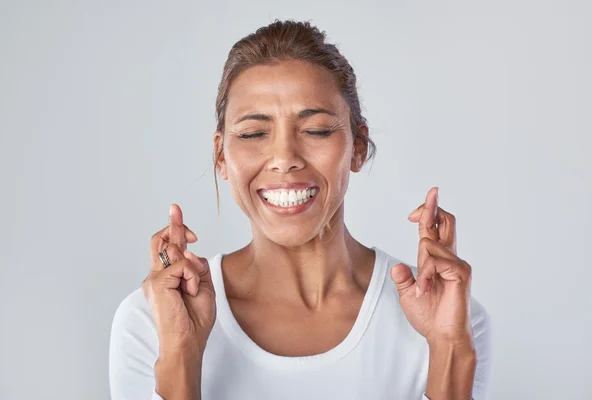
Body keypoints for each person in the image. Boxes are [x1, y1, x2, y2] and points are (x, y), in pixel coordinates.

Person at [109, 19, 492, 400]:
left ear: (358, 146)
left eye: (317, 130)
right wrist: (180, 354)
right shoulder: (153, 321)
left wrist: (450, 347)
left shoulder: (448, 318)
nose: (284, 158)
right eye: (253, 134)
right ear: (221, 156)